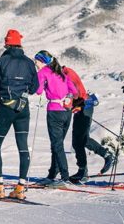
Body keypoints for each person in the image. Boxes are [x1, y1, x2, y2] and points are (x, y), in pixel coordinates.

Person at [0, 29, 39, 200]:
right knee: (23, 146)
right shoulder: (30, 63)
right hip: (23, 109)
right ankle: (20, 188)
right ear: (19, 43)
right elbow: (35, 88)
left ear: (6, 43)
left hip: (6, 109)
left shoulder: (1, 62)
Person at [63, 66, 115, 183]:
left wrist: (69, 104)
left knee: (79, 141)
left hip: (85, 106)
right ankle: (87, 168)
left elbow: (76, 93)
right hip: (82, 107)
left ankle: (85, 170)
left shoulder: (66, 75)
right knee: (80, 140)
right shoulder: (65, 73)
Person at [34, 50, 77, 187]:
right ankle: (52, 174)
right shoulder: (61, 72)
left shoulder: (43, 72)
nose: (36, 64)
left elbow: (38, 91)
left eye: (37, 62)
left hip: (54, 112)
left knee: (57, 145)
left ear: (42, 61)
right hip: (66, 111)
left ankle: (65, 177)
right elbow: (74, 92)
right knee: (57, 144)